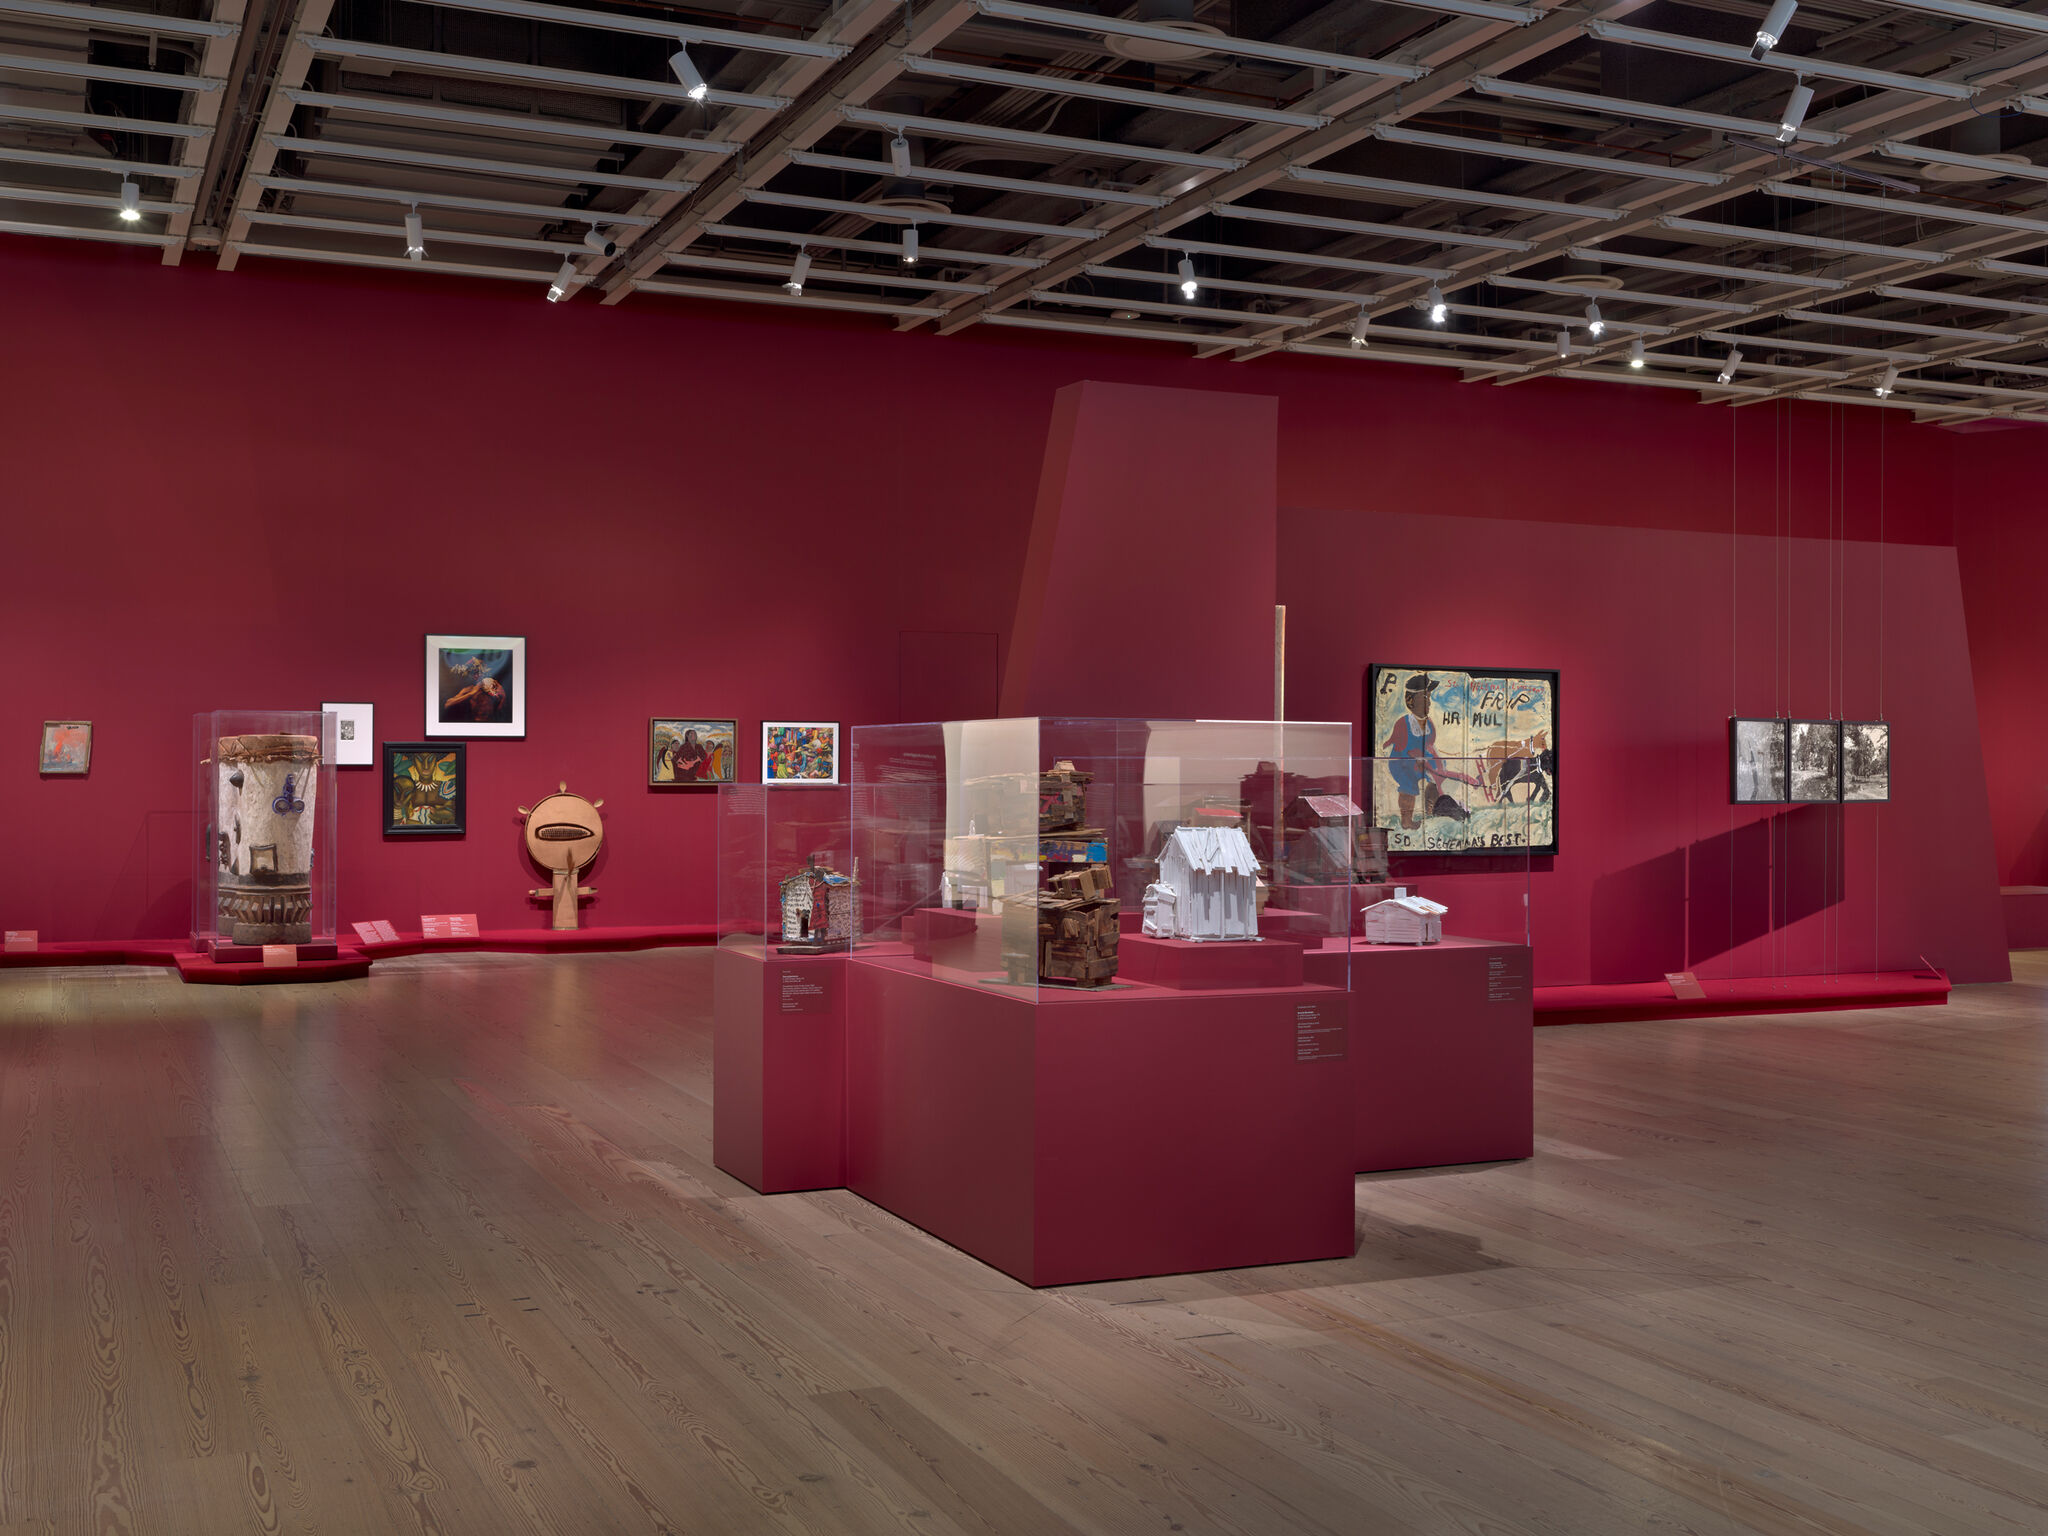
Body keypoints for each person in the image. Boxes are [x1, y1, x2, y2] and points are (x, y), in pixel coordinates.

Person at [1383, 675, 1443, 830]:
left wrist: (1435, 764)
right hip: (1402, 762)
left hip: (1422, 761)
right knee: (1408, 786)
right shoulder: (1403, 723)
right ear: (1410, 701)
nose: (1429, 702)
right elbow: (1401, 748)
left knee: (1436, 778)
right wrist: (1416, 759)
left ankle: (1431, 812)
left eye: (1429, 698)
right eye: (1424, 698)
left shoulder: (1429, 724)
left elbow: (1430, 744)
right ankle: (1406, 820)